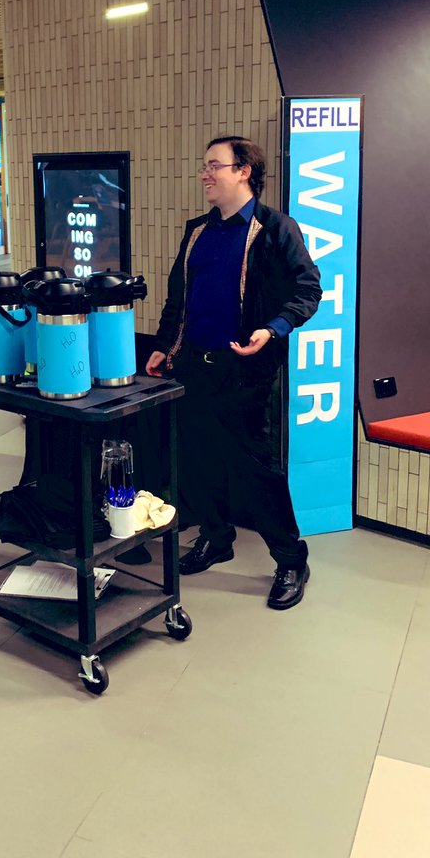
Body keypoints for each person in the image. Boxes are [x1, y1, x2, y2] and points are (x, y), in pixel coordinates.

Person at [146, 136, 321, 609]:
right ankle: (216, 538)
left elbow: (308, 290)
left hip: (244, 370)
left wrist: (273, 329)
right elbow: (178, 297)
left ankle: (290, 559)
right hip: (193, 365)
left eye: (214, 166)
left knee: (256, 469)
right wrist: (165, 346)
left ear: (243, 171)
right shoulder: (198, 231)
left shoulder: (275, 228)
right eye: (205, 166)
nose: (205, 174)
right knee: (198, 458)